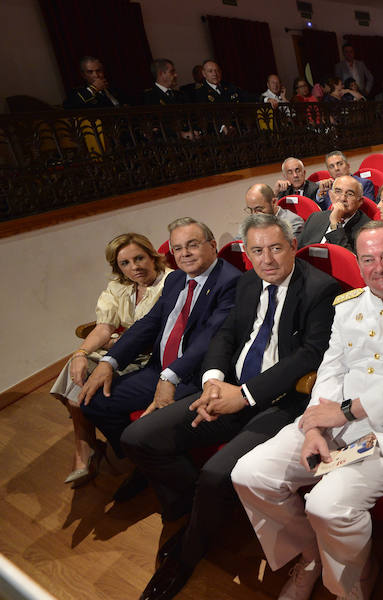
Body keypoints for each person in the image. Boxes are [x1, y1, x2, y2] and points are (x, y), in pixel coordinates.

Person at [232, 222, 383, 600]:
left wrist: (345, 412)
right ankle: (312, 555)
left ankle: (352, 583)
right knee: (250, 474)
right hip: (333, 418)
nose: (378, 268)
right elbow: (332, 367)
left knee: (327, 505)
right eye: (368, 260)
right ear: (359, 263)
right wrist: (315, 426)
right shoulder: (347, 305)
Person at [127, 214, 340, 600]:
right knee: (139, 437)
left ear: (293, 247)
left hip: (281, 401)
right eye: (257, 250)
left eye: (276, 248)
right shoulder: (245, 283)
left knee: (215, 474)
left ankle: (190, 551)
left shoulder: (321, 289)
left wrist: (243, 396)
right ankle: (197, 512)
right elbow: (226, 336)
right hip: (227, 390)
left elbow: (310, 354)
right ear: (247, 253)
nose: (267, 260)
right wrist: (211, 383)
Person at [79, 219, 241, 497]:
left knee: (145, 432)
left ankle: (189, 495)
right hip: (159, 368)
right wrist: (109, 362)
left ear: (212, 246)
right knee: (93, 402)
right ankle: (142, 466)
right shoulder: (176, 278)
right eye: (178, 248)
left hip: (194, 376)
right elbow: (148, 324)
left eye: (192, 245)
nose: (184, 254)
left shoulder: (232, 281)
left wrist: (170, 376)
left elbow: (210, 339)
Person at [51, 234, 171, 487]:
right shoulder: (119, 287)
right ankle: (86, 444)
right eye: (125, 263)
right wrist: (80, 354)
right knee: (76, 370)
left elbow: (164, 333)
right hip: (121, 350)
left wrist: (117, 344)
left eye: (139, 258)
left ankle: (86, 447)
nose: (134, 267)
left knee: (83, 390)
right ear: (118, 268)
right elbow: (104, 327)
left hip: (150, 356)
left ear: (152, 255)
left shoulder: (171, 282)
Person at [299, 175, 372, 254]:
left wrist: (335, 224)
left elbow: (351, 262)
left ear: (360, 202)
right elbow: (297, 251)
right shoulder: (315, 217)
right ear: (331, 195)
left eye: (350, 194)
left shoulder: (368, 230)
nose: (342, 198)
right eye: (338, 191)